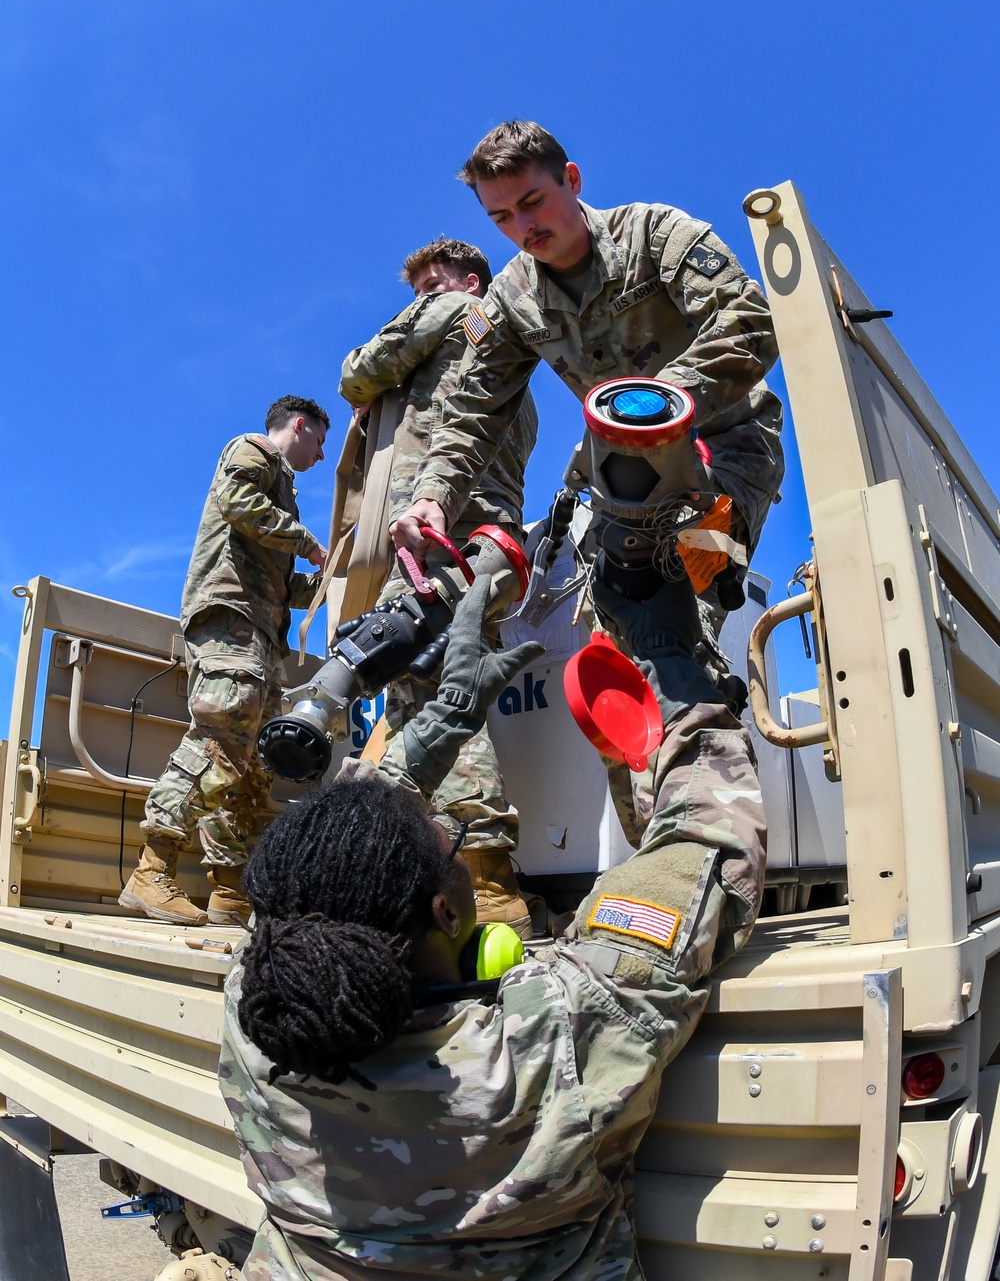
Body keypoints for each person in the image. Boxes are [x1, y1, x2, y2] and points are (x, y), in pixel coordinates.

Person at [219, 570, 766, 1281]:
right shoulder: (555, 1037)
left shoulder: (255, 1021)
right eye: (449, 837)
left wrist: (446, 717)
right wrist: (666, 647)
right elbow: (706, 837)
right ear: (449, 912)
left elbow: (312, 869)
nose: (449, 827)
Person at [391, 122, 783, 630]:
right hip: (621, 470)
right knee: (617, 625)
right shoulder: (511, 298)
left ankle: (694, 694)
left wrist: (656, 403)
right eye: (502, 217)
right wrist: (432, 497)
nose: (522, 226)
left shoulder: (653, 234)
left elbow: (749, 319)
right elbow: (474, 410)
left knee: (676, 609)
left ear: (571, 179)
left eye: (532, 201)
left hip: (725, 445)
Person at [339, 237, 539, 936]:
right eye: (420, 284)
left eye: (434, 280)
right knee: (445, 684)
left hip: (437, 533)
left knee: (430, 686)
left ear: (469, 281)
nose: (423, 292)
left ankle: (486, 875)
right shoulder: (515, 372)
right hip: (492, 544)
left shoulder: (453, 311)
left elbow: (357, 373)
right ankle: (464, 868)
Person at [120, 396, 329, 927]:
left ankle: (229, 891)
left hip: (257, 633)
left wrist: (322, 583)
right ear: (298, 426)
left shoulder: (281, 495)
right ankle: (151, 870)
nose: (323, 456)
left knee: (253, 766)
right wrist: (306, 541)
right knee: (217, 745)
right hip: (230, 623)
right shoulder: (253, 451)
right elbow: (237, 502)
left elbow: (275, 579)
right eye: (320, 441)